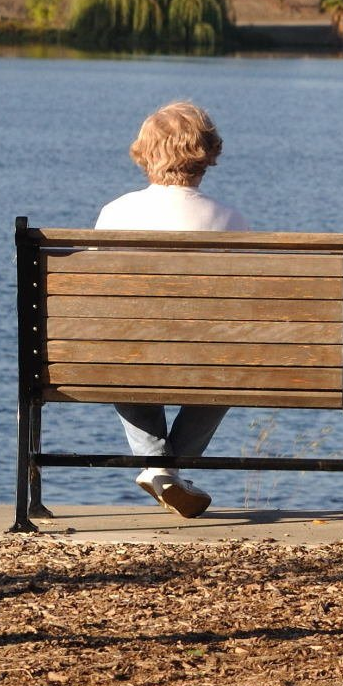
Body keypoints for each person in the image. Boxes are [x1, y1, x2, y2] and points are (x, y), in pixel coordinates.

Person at [95, 101, 248, 518]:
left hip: (123, 357)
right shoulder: (230, 220)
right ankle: (167, 468)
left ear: (145, 153)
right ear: (208, 153)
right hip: (200, 357)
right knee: (232, 370)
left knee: (119, 354)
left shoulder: (114, 213)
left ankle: (158, 465)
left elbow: (102, 303)